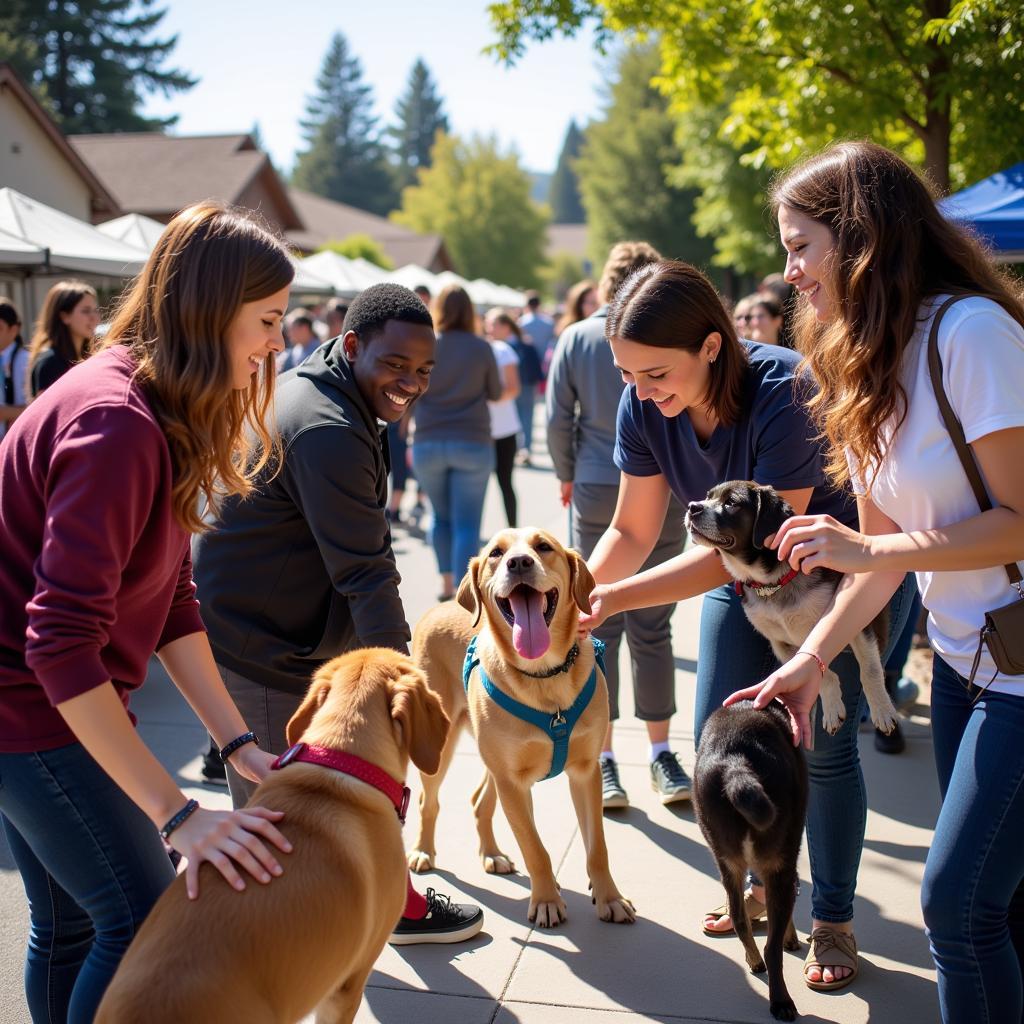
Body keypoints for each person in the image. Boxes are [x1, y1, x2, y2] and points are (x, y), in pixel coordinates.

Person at [727, 140, 1024, 1022]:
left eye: (800, 245)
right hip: (969, 666)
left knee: (957, 907)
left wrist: (869, 554)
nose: (788, 272)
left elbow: (1014, 520)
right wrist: (813, 658)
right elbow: (881, 550)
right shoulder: (862, 361)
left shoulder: (972, 335)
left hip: (1017, 668)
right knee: (999, 905)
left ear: (863, 239)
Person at [579, 258, 915, 990]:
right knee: (719, 747)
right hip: (743, 581)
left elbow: (756, 552)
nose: (640, 392)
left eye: (654, 374)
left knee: (819, 748)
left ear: (711, 344)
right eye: (629, 376)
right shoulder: (647, 408)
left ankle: (831, 917)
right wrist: (578, 590)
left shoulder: (783, 391)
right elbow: (632, 531)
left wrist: (614, 601)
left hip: (833, 584)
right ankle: (763, 888)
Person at [0, 202, 297, 1023]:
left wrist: (237, 743)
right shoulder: (116, 422)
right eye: (267, 321)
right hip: (31, 713)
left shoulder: (152, 406)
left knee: (68, 928)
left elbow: (171, 598)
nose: (278, 343)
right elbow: (58, 645)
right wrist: (177, 814)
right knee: (140, 921)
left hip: (43, 710)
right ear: (208, 311)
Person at [191, 282, 483, 945]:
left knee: (357, 794)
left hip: (295, 625)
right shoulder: (326, 425)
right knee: (277, 833)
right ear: (352, 345)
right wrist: (403, 684)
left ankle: (394, 904)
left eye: (423, 371)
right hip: (262, 645)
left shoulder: (330, 385)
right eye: (396, 365)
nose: (410, 382)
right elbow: (366, 570)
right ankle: (273, 962)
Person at [546, 241, 689, 809]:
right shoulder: (650, 341)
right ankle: (660, 753)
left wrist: (566, 472)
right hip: (664, 487)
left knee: (595, 621)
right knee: (654, 624)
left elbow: (559, 417)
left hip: (597, 484)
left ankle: (604, 758)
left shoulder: (578, 337)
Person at [412, 284, 501, 601]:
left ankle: (446, 584)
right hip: (472, 440)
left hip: (427, 439)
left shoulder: (425, 345)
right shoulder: (481, 347)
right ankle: (464, 594)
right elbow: (496, 392)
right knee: (467, 523)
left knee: (440, 516)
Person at [483, 309, 523, 526]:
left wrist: (487, 399)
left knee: (505, 483)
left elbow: (514, 388)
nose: (489, 328)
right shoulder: (481, 348)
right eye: (487, 323)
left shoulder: (503, 350)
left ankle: (513, 528)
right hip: (481, 430)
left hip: (504, 428)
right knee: (477, 486)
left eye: (493, 324)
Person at [26, 280, 100, 398]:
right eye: (86, 311)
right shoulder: (50, 362)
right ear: (65, 316)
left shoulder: (89, 358)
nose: (95, 318)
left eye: (96, 310)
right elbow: (49, 413)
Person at [0, 296, 27, 436]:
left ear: (14, 329)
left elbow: (37, 405)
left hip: (16, 437)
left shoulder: (26, 360)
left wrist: (6, 412)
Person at [276, 307, 320, 372]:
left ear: (304, 328)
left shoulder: (319, 352)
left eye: (291, 329)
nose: (288, 334)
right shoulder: (295, 350)